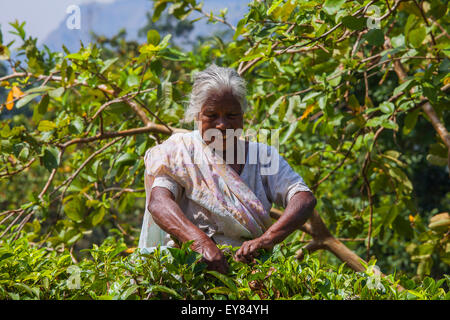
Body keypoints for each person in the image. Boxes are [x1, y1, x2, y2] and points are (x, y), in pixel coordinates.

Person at [138, 64, 316, 274]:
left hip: (249, 275)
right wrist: (200, 242)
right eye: (212, 115)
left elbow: (304, 199)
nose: (222, 125)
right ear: (197, 116)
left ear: (242, 116)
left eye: (231, 115)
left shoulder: (262, 155)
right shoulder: (181, 150)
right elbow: (159, 203)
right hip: (189, 274)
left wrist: (266, 240)